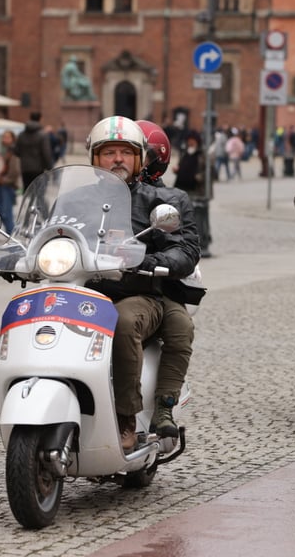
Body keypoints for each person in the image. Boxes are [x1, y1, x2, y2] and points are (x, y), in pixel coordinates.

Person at [86, 116, 201, 449]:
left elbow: (185, 248)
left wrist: (149, 261)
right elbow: (49, 232)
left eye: (126, 152)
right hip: (79, 289)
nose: (117, 159)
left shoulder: (162, 201)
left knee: (124, 323)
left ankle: (126, 419)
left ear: (140, 159)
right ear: (94, 158)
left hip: (135, 291)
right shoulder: (76, 199)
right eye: (109, 152)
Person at [136, 119, 204, 438]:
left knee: (180, 327)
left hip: (153, 283)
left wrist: (154, 261)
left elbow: (185, 248)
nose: (134, 160)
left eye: (142, 154)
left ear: (158, 161)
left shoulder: (170, 200)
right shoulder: (95, 195)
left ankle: (163, 404)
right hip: (95, 281)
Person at [174, 130, 211, 257]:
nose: (190, 143)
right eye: (189, 141)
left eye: (192, 141)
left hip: (197, 191)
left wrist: (199, 177)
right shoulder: (185, 153)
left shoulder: (202, 155)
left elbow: (209, 172)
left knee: (198, 217)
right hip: (183, 188)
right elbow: (182, 166)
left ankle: (201, 242)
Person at [15, 111, 54, 191]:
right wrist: (50, 168)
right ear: (40, 119)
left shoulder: (21, 134)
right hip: (38, 169)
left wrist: (24, 157)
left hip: (25, 167)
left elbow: (16, 151)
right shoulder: (43, 135)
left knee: (27, 191)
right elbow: (46, 153)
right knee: (38, 193)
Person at [0, 129, 21, 234]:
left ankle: (11, 234)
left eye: (7, 137)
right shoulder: (4, 150)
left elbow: (15, 170)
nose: (5, 139)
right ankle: (10, 233)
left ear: (13, 139)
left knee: (6, 212)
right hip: (1, 184)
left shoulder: (13, 151)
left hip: (8, 185)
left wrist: (5, 180)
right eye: (4, 137)